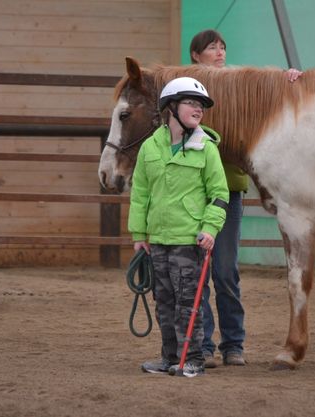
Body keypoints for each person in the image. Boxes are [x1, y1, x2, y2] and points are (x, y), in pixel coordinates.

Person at [189, 29, 302, 368]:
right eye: (212, 47)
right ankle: (204, 345)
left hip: (229, 190)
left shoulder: (237, 81)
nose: (220, 52)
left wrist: (289, 79)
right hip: (192, 193)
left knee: (225, 271)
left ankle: (233, 344)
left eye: (223, 46)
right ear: (196, 56)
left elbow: (263, 90)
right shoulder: (188, 90)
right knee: (199, 272)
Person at [129, 76, 229, 378]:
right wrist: (138, 235)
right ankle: (170, 357)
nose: (198, 109)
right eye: (191, 103)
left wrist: (210, 229)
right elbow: (140, 194)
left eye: (201, 105)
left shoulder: (206, 148)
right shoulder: (150, 148)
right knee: (164, 302)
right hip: (158, 240)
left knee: (190, 303)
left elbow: (220, 194)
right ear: (170, 108)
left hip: (190, 240)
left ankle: (194, 358)